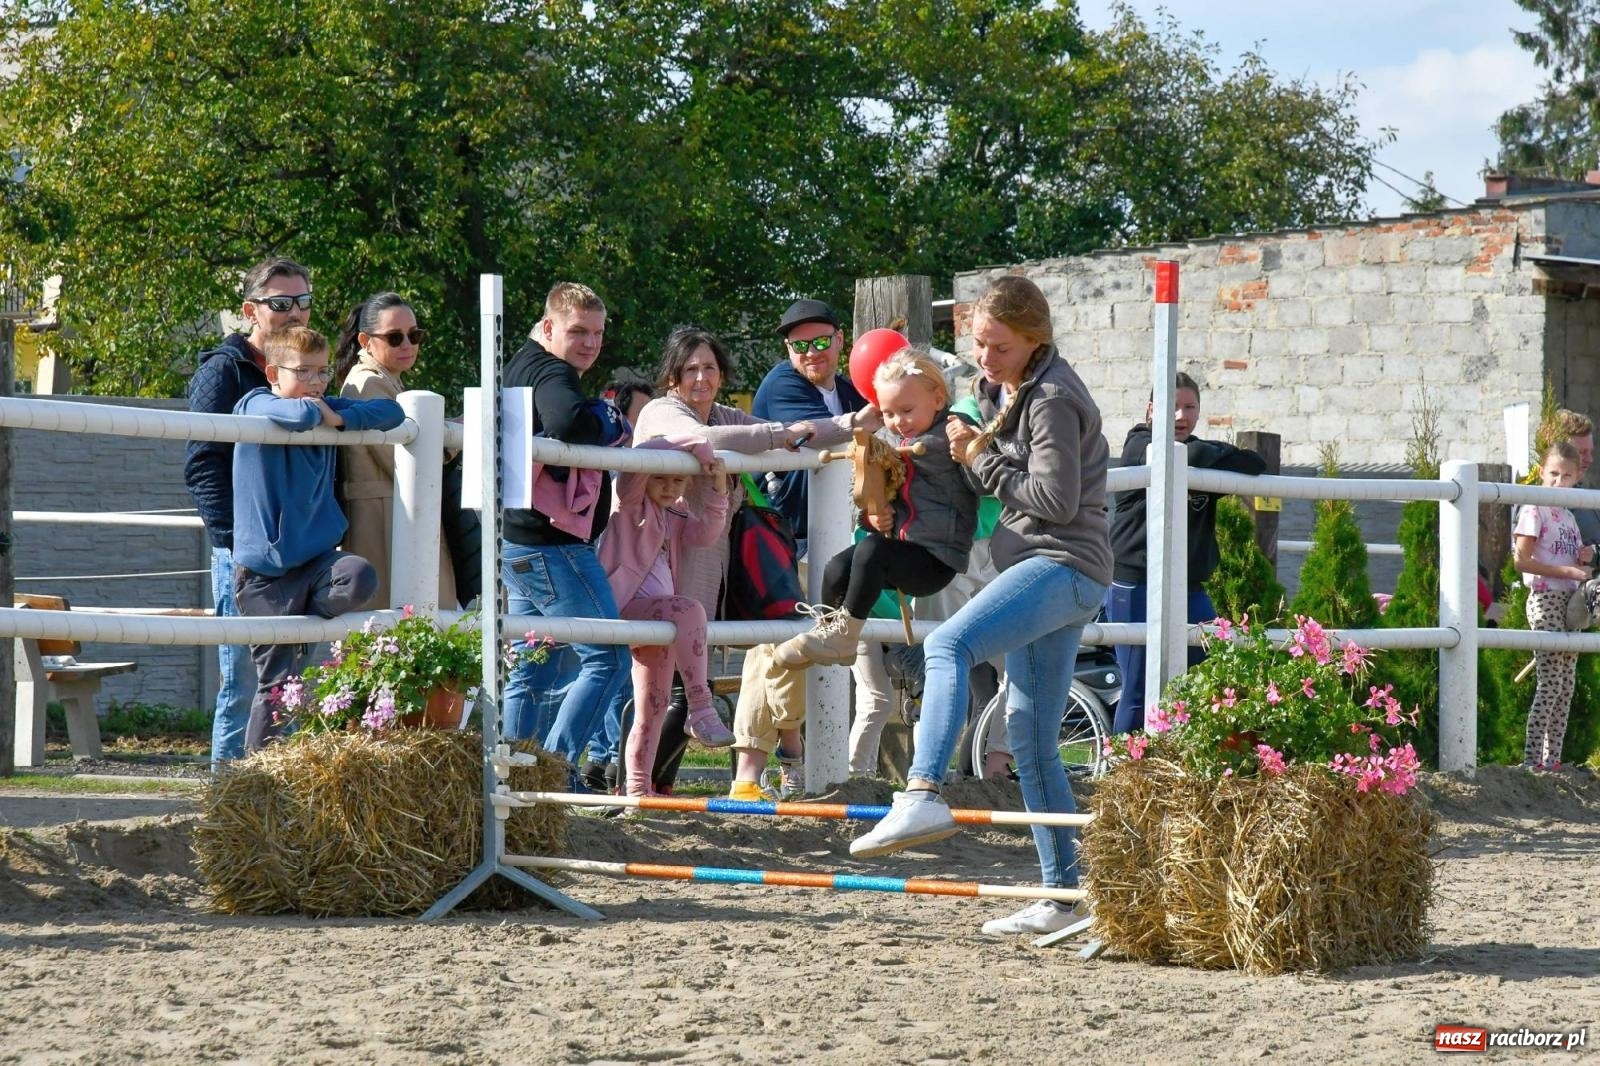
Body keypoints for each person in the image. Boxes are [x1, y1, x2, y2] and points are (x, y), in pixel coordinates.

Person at [849, 275, 1112, 938]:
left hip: (1060, 564)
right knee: (1028, 736)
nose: (985, 358)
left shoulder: (1052, 397)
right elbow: (981, 454)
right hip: (1048, 569)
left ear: (1034, 337)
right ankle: (1063, 896)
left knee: (946, 646)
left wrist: (981, 456)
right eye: (978, 344)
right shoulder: (1014, 387)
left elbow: (1052, 500)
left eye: (997, 346)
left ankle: (922, 792)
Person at [621, 326, 827, 795]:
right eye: (690, 368)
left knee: (679, 686)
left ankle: (650, 788)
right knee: (663, 687)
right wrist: (782, 432)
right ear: (672, 376)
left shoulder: (725, 413)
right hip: (659, 563)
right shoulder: (661, 411)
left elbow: (789, 438)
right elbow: (705, 438)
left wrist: (854, 426)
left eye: (709, 368)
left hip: (706, 561)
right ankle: (629, 784)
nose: (700, 377)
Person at [230, 327, 405, 751]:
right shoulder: (254, 403)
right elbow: (298, 416)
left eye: (323, 372)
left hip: (317, 565)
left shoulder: (326, 406)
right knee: (277, 686)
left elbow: (392, 413)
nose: (316, 382)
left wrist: (341, 417)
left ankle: (307, 624)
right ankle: (258, 781)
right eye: (303, 371)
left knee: (360, 575)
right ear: (272, 372)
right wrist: (325, 414)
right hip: (265, 575)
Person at [501, 282, 632, 784]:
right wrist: (610, 418)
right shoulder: (553, 371)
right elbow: (568, 420)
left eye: (597, 333)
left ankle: (512, 776)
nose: (590, 343)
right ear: (549, 326)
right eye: (578, 331)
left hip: (519, 543)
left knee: (532, 668)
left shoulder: (521, 364)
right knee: (610, 656)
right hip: (553, 546)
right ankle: (557, 771)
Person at [185, 256, 312, 768]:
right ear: (251, 311)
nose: (295, 314)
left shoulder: (308, 369)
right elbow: (201, 465)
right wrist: (234, 542)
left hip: (299, 550)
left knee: (292, 683)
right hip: (243, 552)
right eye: (280, 304)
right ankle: (225, 809)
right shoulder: (224, 371)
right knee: (241, 682)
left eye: (303, 302)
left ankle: (278, 802)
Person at [774, 349, 978, 668]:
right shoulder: (900, 445)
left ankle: (844, 638)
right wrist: (871, 516)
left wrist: (969, 447)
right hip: (902, 551)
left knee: (872, 551)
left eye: (906, 410)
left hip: (937, 559)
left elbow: (982, 483)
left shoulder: (953, 431)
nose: (898, 423)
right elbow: (886, 494)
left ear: (938, 399)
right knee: (837, 567)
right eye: (888, 414)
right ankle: (827, 633)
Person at [1104, 374, 1266, 734]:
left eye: (1190, 407)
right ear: (1150, 410)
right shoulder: (1137, 445)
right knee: (1139, 687)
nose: (1181, 414)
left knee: (1212, 673)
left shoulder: (1198, 457)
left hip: (1191, 588)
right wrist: (1215, 453)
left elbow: (1255, 462)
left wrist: (1209, 454)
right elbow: (1186, 454)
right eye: (1171, 406)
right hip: (1138, 584)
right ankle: (1120, 778)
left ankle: (1178, 770)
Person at [598, 436, 734, 794]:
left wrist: (718, 489)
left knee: (653, 706)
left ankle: (638, 789)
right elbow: (637, 463)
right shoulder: (628, 503)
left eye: (677, 481)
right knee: (689, 607)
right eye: (661, 479)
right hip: (628, 608)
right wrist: (700, 447)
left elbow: (705, 535)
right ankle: (700, 706)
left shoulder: (675, 513)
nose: (669, 487)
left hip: (660, 622)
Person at [333, 292, 461, 610]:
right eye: (394, 337)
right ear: (366, 340)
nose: (407, 344)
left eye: (414, 335)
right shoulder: (367, 383)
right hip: (383, 520)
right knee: (394, 633)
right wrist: (458, 435)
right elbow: (406, 462)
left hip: (394, 514)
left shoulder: (383, 380)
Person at [751, 299, 881, 550]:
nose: (811, 353)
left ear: (840, 340)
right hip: (790, 542)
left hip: (841, 529)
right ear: (788, 349)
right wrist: (861, 422)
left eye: (821, 341)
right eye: (800, 345)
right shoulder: (781, 384)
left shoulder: (848, 390)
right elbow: (819, 432)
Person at [1513, 440, 1592, 772]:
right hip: (1545, 597)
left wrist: (1585, 559)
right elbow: (1521, 560)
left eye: (1566, 476)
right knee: (1550, 683)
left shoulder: (1570, 519)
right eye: (1554, 474)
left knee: (1566, 685)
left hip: (1570, 603)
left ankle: (1552, 760)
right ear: (1542, 473)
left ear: (1576, 479)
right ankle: (1532, 760)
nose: (1559, 482)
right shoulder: (1534, 509)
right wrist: (1565, 571)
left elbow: (1572, 558)